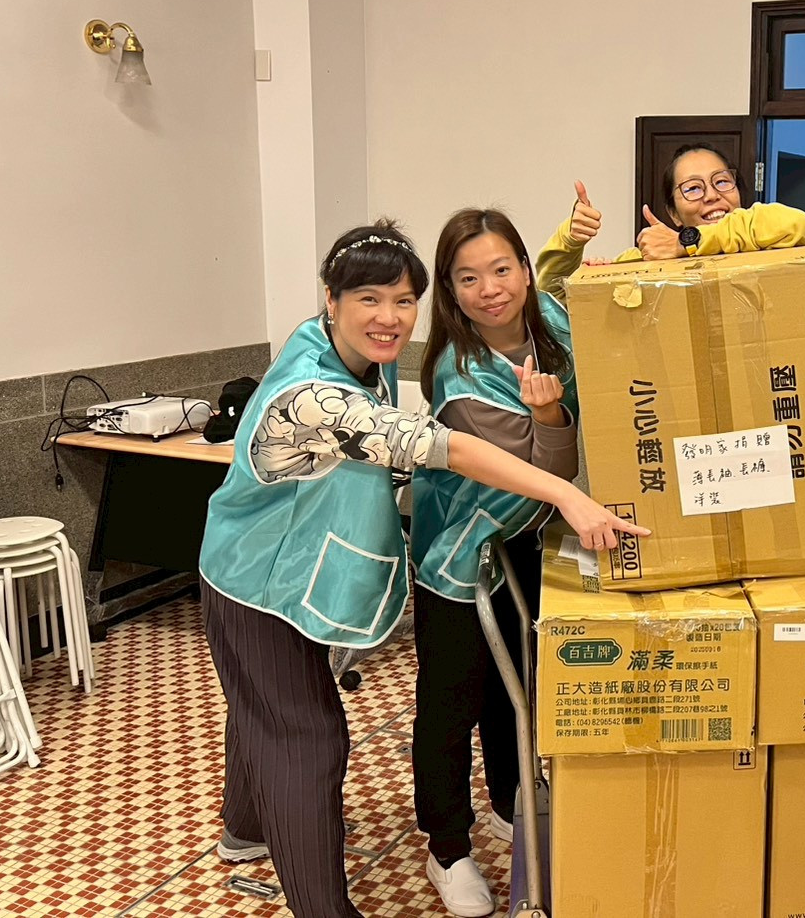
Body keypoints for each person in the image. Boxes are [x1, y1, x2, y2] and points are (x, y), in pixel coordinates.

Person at [198, 220, 646, 918]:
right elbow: (445, 447)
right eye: (369, 299)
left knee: (264, 706)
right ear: (330, 300)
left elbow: (555, 289)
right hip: (253, 577)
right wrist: (568, 495)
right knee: (308, 739)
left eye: (403, 300)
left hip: (298, 563)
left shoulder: (346, 347)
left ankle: (245, 826)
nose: (389, 318)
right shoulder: (315, 393)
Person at [408, 209, 579, 915]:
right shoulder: (462, 378)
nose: (490, 289)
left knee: (517, 687)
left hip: (527, 542)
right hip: (460, 554)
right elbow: (544, 475)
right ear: (450, 290)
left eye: (501, 269)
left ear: (525, 270)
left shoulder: (551, 320)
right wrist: (551, 418)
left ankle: (511, 804)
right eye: (468, 278)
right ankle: (447, 848)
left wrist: (580, 246)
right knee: (452, 702)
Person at [535, 143, 805, 301]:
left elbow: (799, 224)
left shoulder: (765, 239)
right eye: (693, 188)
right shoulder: (643, 262)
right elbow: (553, 300)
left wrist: (686, 243)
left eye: (721, 181)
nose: (711, 195)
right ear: (673, 213)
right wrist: (571, 243)